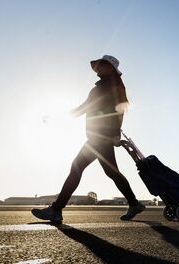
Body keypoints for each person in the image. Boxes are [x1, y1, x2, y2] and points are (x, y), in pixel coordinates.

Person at [32, 55, 145, 223]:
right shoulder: (103, 86)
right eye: (97, 65)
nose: (97, 68)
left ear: (110, 68)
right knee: (111, 172)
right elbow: (85, 108)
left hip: (101, 137)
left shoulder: (109, 87)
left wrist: (114, 133)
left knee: (77, 168)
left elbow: (117, 111)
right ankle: (134, 203)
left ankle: (56, 210)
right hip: (98, 136)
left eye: (101, 65)